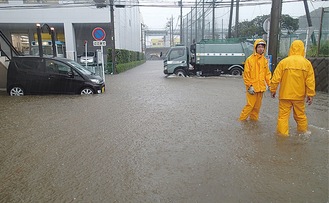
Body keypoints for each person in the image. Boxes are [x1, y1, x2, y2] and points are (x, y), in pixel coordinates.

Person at [270, 39, 315, 136]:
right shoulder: (306, 63)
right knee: (300, 116)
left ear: (291, 48)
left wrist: (273, 90)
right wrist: (310, 94)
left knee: (283, 117)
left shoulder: (284, 62)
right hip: (299, 96)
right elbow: (310, 81)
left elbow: (275, 79)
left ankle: (282, 137)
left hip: (285, 95)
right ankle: (303, 133)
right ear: (303, 49)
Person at [239, 39, 272, 121]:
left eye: (262, 47)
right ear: (255, 48)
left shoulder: (264, 60)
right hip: (252, 88)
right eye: (259, 47)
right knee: (250, 106)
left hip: (261, 88)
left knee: (257, 107)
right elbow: (246, 74)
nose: (261, 49)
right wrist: (249, 86)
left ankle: (253, 122)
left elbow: (267, 74)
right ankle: (241, 120)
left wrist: (270, 84)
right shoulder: (250, 60)